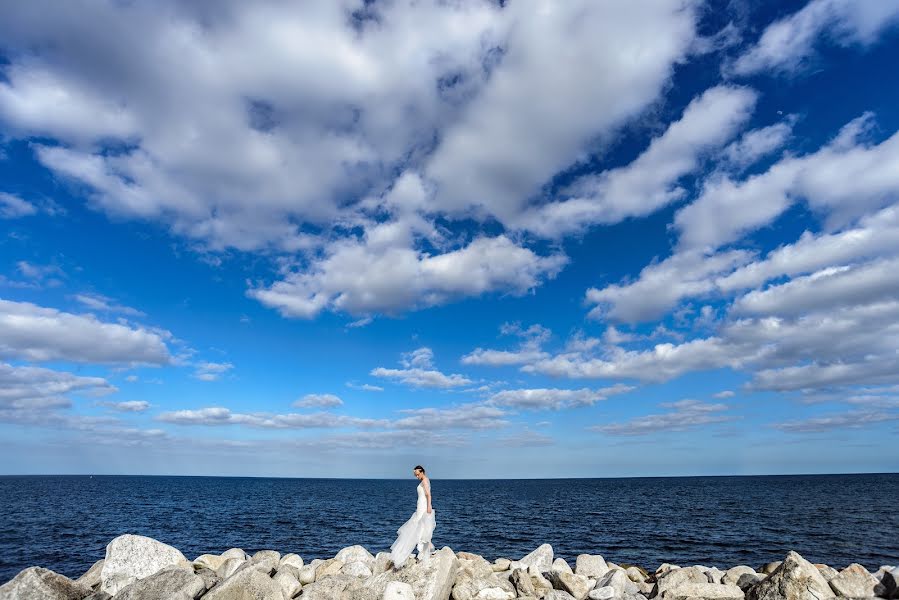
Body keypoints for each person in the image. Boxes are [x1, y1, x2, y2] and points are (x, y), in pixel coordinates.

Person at [390, 465, 436, 568]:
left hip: (424, 507)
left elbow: (428, 494)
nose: (417, 477)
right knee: (420, 527)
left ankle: (423, 551)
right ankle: (425, 550)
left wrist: (428, 506)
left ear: (422, 472)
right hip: (420, 506)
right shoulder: (424, 480)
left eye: (417, 474)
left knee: (420, 528)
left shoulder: (425, 481)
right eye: (415, 475)